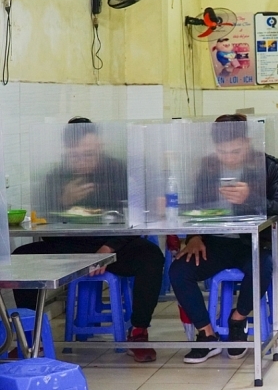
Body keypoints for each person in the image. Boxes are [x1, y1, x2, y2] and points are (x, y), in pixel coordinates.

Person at [13, 117, 165, 363]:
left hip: (113, 244)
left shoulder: (118, 171)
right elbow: (41, 219)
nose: (82, 162)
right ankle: (31, 337)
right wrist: (62, 199)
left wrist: (108, 248)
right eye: (76, 157)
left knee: (151, 257)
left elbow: (136, 217)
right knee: (22, 258)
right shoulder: (57, 176)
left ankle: (138, 330)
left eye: (88, 155)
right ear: (66, 152)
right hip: (68, 247)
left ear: (99, 147)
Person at [169, 114, 278, 364]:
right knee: (179, 271)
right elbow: (197, 207)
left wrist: (251, 198)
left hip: (255, 242)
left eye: (236, 151)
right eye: (222, 152)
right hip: (215, 242)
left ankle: (238, 319)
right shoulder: (208, 167)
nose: (229, 157)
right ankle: (207, 334)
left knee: (262, 266)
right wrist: (193, 236)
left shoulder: (268, 166)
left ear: (247, 142)